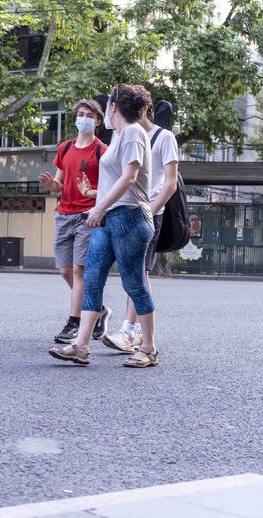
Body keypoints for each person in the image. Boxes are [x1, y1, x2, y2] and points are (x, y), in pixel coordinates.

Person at [49, 84, 157, 368]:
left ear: (113, 107)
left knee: (133, 283)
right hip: (108, 218)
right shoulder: (120, 135)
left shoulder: (133, 132)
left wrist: (97, 207)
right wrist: (94, 197)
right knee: (92, 278)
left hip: (130, 218)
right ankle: (81, 346)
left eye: (108, 103)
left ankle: (148, 348)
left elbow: (130, 178)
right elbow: (113, 181)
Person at [101, 87, 179, 353]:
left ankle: (130, 331)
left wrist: (149, 210)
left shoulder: (164, 137)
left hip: (149, 214)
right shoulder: (122, 136)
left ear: (144, 108)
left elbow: (170, 184)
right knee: (132, 272)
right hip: (124, 213)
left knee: (140, 272)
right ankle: (130, 331)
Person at [39, 99, 111, 345]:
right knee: (64, 270)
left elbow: (111, 187)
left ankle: (74, 322)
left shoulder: (103, 150)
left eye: (90, 115)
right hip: (63, 214)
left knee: (80, 270)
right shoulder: (65, 148)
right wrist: (52, 186)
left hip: (87, 217)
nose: (84, 118)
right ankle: (98, 308)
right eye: (80, 114)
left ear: (98, 121)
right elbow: (59, 184)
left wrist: (92, 194)